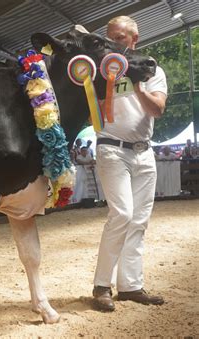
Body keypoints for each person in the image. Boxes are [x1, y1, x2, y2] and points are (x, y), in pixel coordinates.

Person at [92, 16, 167, 312]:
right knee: (122, 213)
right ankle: (101, 286)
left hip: (144, 152)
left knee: (139, 220)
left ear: (134, 39)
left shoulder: (152, 69)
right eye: (111, 36)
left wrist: (137, 84)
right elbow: (95, 114)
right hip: (112, 148)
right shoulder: (99, 72)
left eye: (120, 37)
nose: (114, 41)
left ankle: (131, 285)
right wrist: (106, 85)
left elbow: (158, 109)